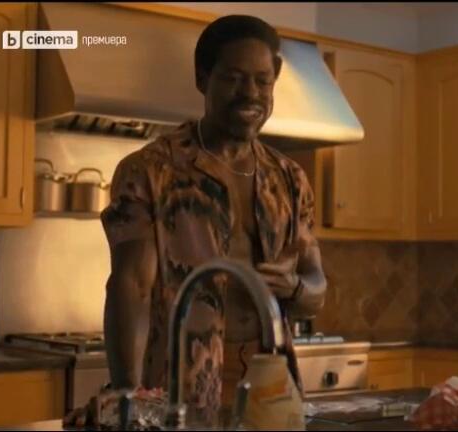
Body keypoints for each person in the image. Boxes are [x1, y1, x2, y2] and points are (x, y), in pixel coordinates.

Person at [100, 14, 327, 425]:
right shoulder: (150, 170)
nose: (250, 94)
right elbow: (131, 287)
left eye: (262, 81)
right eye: (234, 79)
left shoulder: (290, 180)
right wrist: (127, 397)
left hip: (270, 388)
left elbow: (316, 289)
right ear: (203, 79)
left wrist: (293, 286)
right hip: (180, 389)